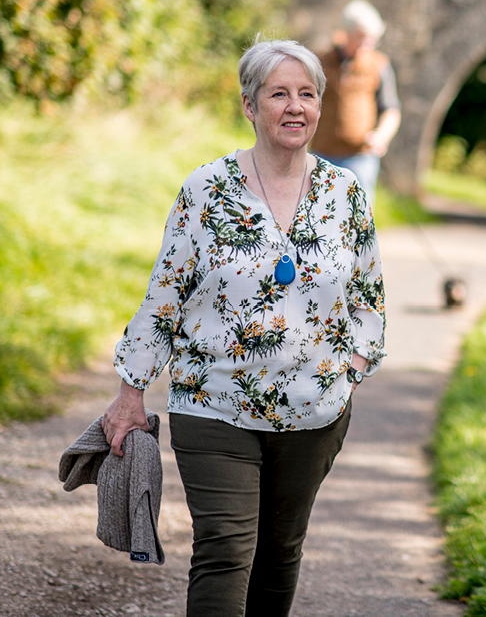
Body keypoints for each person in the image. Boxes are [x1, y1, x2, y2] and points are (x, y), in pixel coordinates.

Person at [101, 35, 386, 617]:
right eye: (278, 93)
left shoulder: (347, 194)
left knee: (280, 551)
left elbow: (369, 301)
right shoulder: (205, 190)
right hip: (214, 402)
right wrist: (131, 392)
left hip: (315, 410)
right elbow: (165, 295)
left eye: (307, 94)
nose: (295, 106)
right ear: (249, 106)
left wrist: (348, 371)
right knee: (227, 549)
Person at [312, 0, 401, 207]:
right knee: (318, 217)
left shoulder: (379, 64)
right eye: (361, 38)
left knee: (358, 220)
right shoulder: (320, 61)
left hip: (360, 157)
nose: (366, 44)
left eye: (372, 39)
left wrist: (381, 136)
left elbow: (391, 109)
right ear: (346, 34)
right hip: (322, 154)